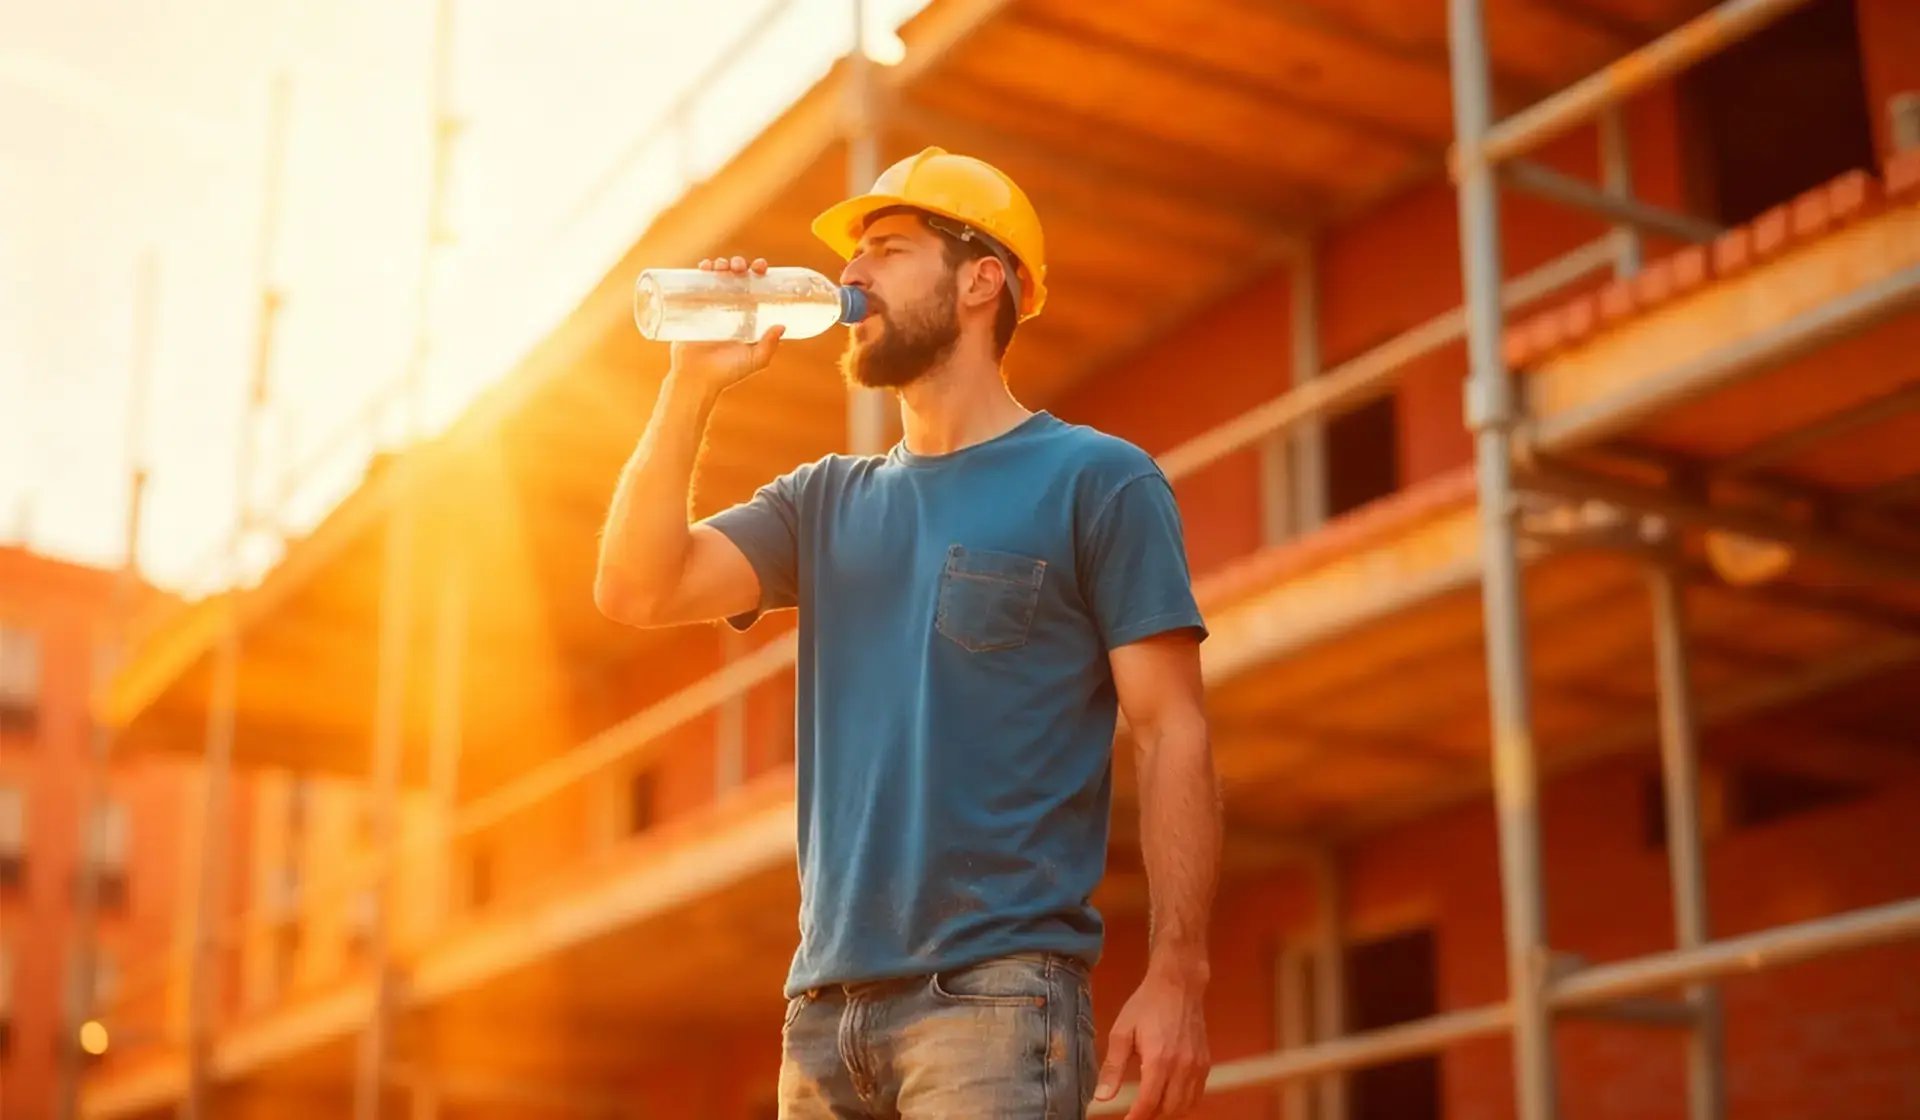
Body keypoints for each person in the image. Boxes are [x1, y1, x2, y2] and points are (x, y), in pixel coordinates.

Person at [595, 147, 1219, 1119]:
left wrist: (1180, 971)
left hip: (995, 1009)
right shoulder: (824, 501)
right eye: (852, 258)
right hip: (820, 1024)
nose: (851, 275)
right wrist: (691, 385)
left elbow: (1173, 728)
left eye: (886, 248)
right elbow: (636, 586)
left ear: (983, 280)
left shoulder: (1099, 480)